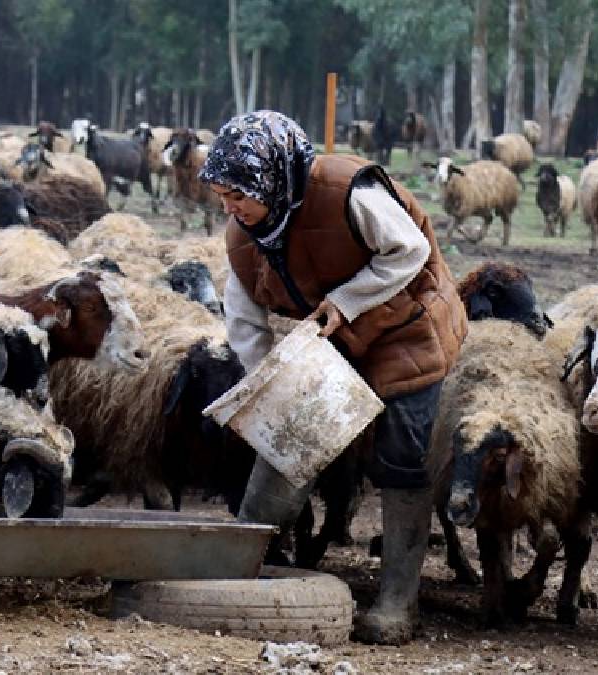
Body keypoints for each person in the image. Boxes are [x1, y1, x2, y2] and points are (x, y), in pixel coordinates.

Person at [198, 111, 468, 645]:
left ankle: (397, 599)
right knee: (286, 437)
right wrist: (269, 388)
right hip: (333, 339)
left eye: (237, 193)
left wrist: (346, 302)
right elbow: (245, 319)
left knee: (401, 453)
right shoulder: (244, 235)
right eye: (221, 194)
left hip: (407, 327)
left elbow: (410, 251)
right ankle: (242, 568)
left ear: (272, 178)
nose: (228, 206)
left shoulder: (347, 192)